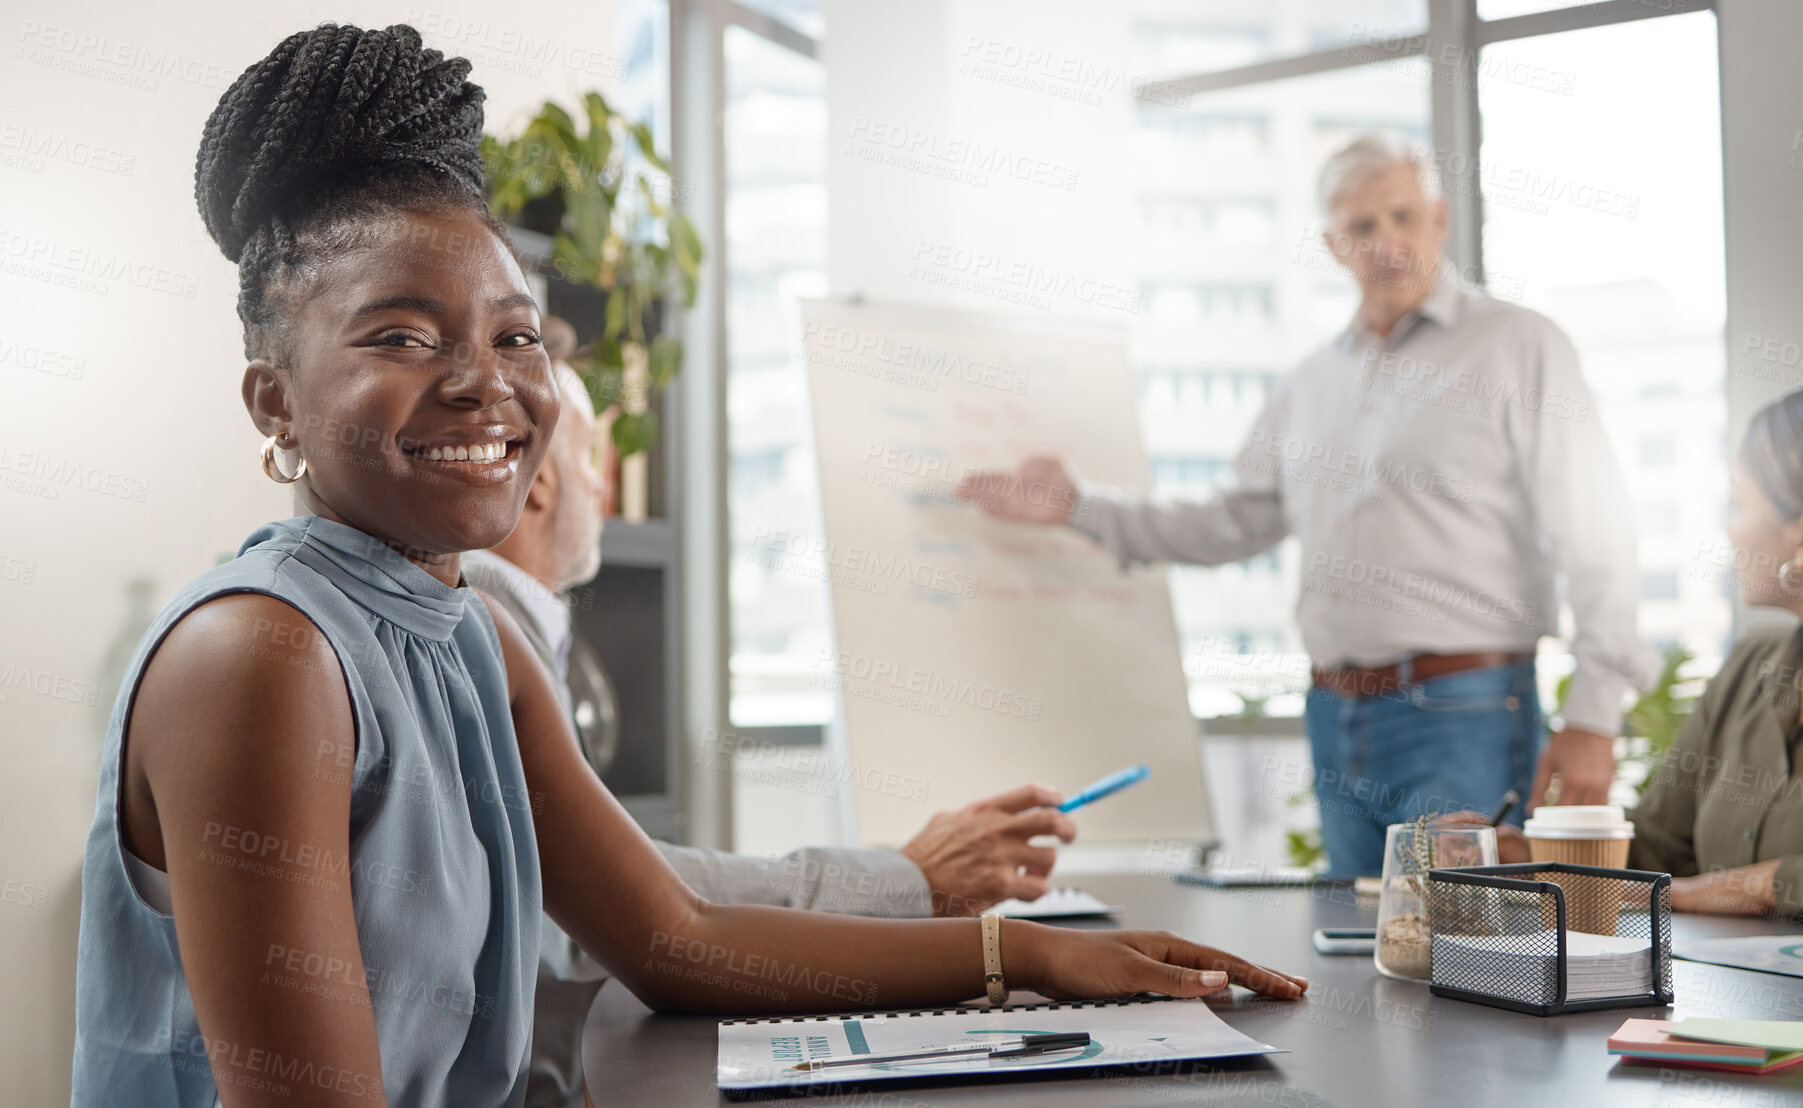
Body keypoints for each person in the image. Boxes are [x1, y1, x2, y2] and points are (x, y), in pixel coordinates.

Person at [71, 24, 1306, 1106]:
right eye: (401, 333)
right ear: (273, 402)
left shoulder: (471, 636)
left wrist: (1028, 955)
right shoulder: (262, 656)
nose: (485, 383)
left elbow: (676, 938)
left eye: (514, 337)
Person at [958, 131, 1656, 879]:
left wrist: (1593, 715)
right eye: (1362, 226)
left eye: (1402, 216)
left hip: (1466, 712)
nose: (1386, 240)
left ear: (1439, 219)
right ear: (1333, 245)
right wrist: (1077, 505)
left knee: (1464, 953)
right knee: (1361, 950)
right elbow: (1230, 522)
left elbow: (1599, 534)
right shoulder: (1308, 384)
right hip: (1335, 718)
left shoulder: (1519, 346)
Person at [462, 325, 1093, 1107]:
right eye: (592, 458)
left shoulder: (513, 632)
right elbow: (640, 905)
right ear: (543, 482)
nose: (604, 490)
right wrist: (909, 883)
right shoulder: (479, 637)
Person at [1456, 390, 1803, 918]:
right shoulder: (1750, 667)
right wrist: (1535, 858)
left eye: (1739, 501)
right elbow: (1656, 850)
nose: (1729, 529)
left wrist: (1694, 893)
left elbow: (1673, 885)